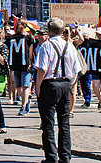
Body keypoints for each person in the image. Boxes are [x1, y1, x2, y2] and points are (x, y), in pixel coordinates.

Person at [34, 18, 81, 163]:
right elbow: (76, 70)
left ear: (48, 31)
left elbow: (42, 69)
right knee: (64, 122)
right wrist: (71, 84)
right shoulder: (70, 46)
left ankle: (51, 157)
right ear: (62, 31)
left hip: (49, 84)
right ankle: (65, 155)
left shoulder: (46, 46)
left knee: (48, 123)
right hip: (65, 84)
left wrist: (38, 86)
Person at [10, 20, 34, 116]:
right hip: (16, 65)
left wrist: (31, 62)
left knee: (25, 86)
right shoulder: (14, 37)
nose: (17, 25)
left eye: (19, 24)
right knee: (18, 87)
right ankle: (27, 100)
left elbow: (32, 49)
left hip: (26, 66)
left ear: (24, 25)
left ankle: (23, 106)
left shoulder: (29, 37)